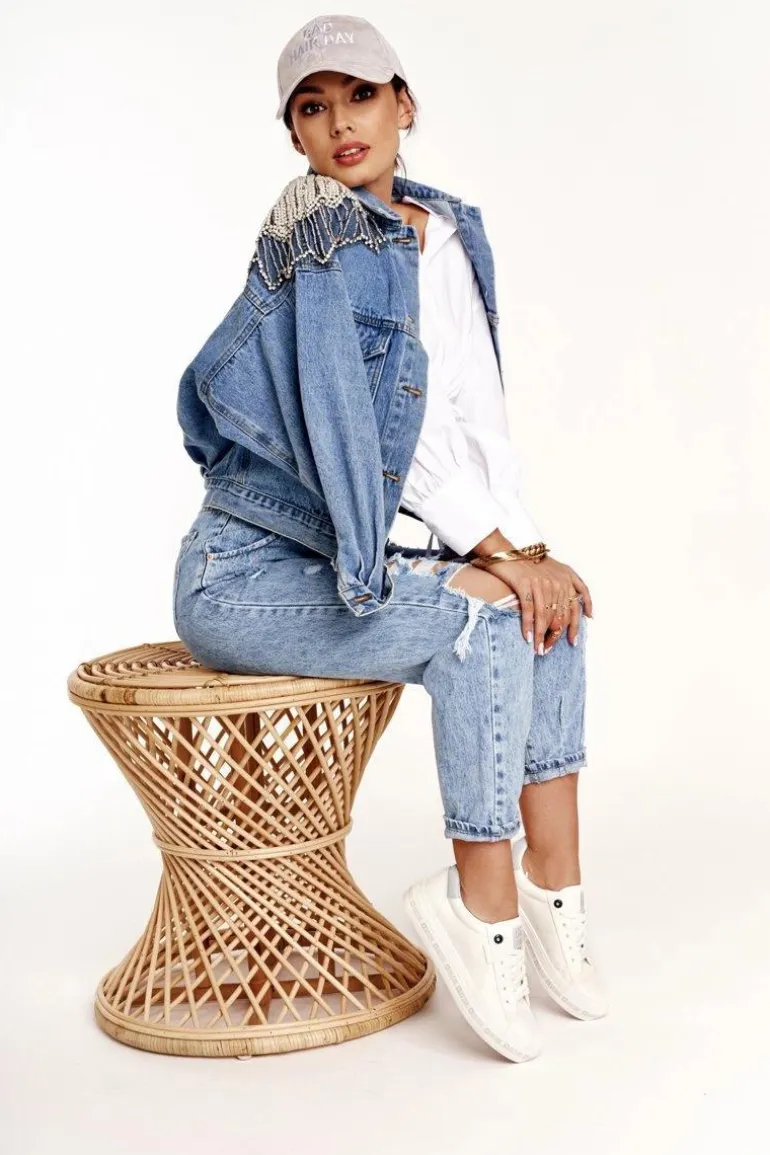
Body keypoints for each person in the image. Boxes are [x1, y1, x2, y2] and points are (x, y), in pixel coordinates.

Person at [173, 13, 608, 1063]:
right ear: (293, 134)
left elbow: (469, 416)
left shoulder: (446, 232)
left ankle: (552, 890)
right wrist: (499, 559)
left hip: (336, 556)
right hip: (245, 573)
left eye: (359, 96)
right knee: (482, 619)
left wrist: (530, 553)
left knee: (554, 610)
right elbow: (364, 440)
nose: (340, 123)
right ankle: (476, 900)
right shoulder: (318, 228)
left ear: (404, 104)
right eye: (311, 108)